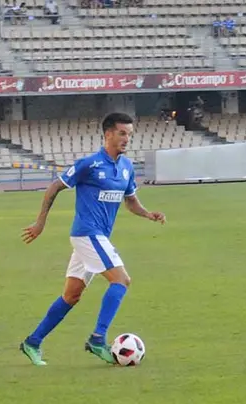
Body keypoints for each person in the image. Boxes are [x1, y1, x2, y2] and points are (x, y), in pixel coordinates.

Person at [18, 112, 166, 366]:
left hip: (96, 238)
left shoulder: (126, 167)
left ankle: (32, 342)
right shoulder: (89, 164)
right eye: (122, 133)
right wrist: (40, 221)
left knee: (71, 295)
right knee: (121, 280)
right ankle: (98, 338)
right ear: (108, 134)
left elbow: (130, 201)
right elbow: (55, 186)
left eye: (129, 134)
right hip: (87, 233)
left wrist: (149, 214)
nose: (126, 139)